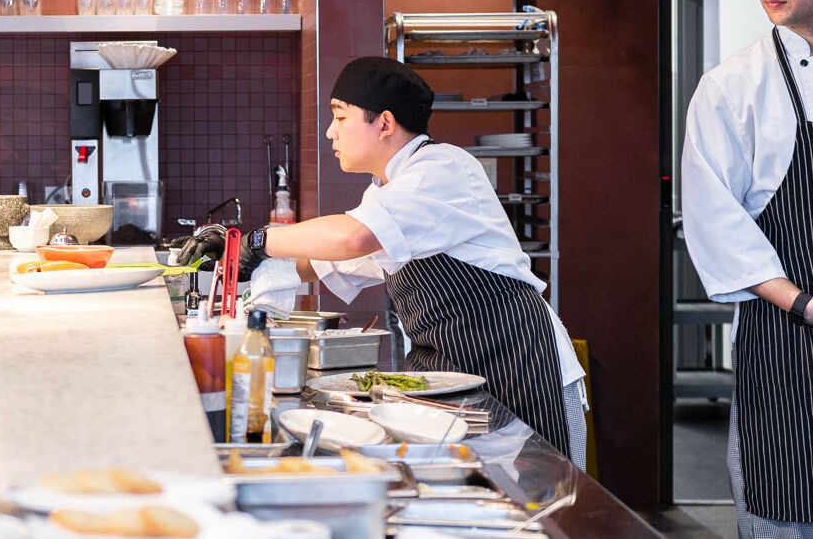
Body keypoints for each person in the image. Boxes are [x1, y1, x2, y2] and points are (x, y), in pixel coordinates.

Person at [181, 57, 588, 465]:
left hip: (521, 366)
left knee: (544, 502)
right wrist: (232, 260)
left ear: (385, 123)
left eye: (340, 117)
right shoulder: (387, 192)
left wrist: (258, 239)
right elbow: (322, 262)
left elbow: (353, 237)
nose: (330, 131)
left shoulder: (443, 168)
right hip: (454, 375)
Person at [681, 0, 813, 536]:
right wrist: (808, 304)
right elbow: (714, 220)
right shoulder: (733, 86)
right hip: (787, 342)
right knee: (788, 510)